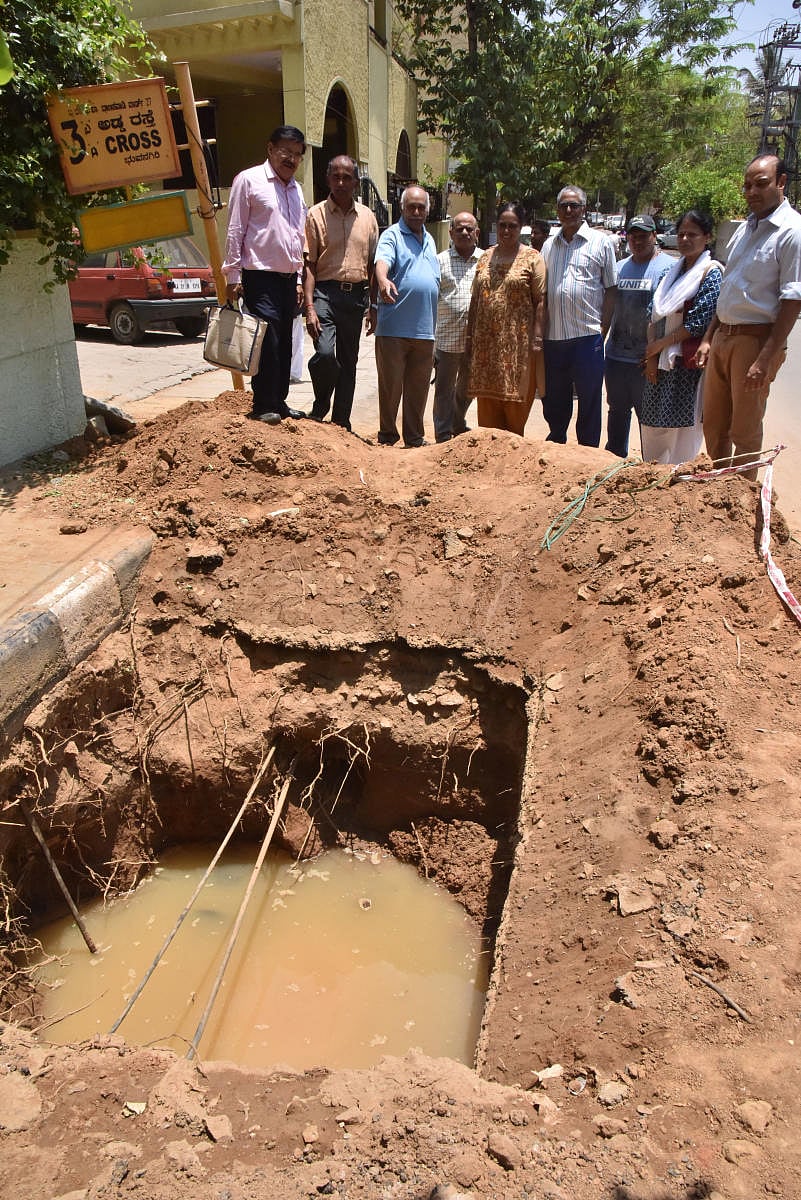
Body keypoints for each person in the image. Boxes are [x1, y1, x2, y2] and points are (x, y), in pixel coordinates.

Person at [697, 153, 801, 476]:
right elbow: (728, 287)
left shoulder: (792, 231)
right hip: (723, 337)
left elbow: (793, 299)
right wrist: (708, 337)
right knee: (713, 425)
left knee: (744, 432)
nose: (751, 192)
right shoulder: (744, 230)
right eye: (747, 186)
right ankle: (718, 493)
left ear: (781, 182)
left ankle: (739, 505)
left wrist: (765, 358)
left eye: (761, 184)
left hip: (754, 342)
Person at [222, 125, 308, 424]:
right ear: (270, 149)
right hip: (259, 276)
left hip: (287, 280)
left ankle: (280, 402)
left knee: (285, 342)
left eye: (297, 154)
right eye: (286, 151)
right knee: (266, 341)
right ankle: (262, 404)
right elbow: (235, 229)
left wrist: (298, 279)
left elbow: (298, 237)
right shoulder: (249, 181)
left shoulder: (296, 190)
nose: (291, 159)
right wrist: (232, 276)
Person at [640, 209, 722, 464]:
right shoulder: (670, 274)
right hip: (659, 363)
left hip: (686, 365)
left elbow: (698, 322)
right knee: (654, 428)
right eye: (681, 234)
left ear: (707, 237)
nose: (685, 239)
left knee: (682, 433)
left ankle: (679, 485)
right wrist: (652, 357)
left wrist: (658, 348)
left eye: (693, 234)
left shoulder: (711, 273)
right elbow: (652, 315)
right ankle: (653, 479)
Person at [303, 155, 379, 430]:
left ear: (356, 182)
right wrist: (309, 307)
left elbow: (372, 265)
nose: (341, 182)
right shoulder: (315, 215)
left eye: (347, 177)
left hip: (356, 297)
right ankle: (321, 402)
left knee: (349, 362)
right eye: (335, 176)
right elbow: (309, 265)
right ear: (327, 180)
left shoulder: (368, 218)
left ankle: (341, 422)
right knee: (324, 354)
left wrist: (374, 305)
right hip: (325, 292)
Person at [541, 185, 617, 446]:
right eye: (564, 206)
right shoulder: (549, 246)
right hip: (555, 337)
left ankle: (588, 454)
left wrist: (603, 329)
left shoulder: (601, 243)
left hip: (588, 337)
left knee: (589, 399)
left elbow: (611, 289)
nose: (569, 210)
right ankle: (557, 446)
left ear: (584, 209)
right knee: (555, 400)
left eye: (574, 205)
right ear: (558, 210)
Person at [466, 201, 546, 435]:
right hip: (485, 351)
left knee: (513, 425)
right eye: (502, 225)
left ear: (521, 227)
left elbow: (541, 300)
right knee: (488, 428)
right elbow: (476, 300)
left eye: (512, 225)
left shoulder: (533, 259)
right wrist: (469, 336)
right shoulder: (485, 258)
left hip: (518, 351)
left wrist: (538, 338)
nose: (506, 231)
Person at [372, 186, 440, 447]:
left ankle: (414, 437)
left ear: (427, 210)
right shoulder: (392, 236)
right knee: (391, 388)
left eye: (421, 207)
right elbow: (382, 262)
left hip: (425, 329)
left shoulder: (430, 239)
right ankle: (387, 435)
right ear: (402, 208)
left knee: (418, 389)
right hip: (394, 329)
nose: (416, 212)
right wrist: (382, 280)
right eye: (411, 206)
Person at [603, 215, 674, 457]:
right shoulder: (619, 268)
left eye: (643, 236)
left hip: (647, 361)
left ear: (654, 236)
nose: (637, 241)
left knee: (649, 419)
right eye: (632, 236)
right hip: (616, 358)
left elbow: (667, 316)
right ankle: (615, 460)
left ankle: (651, 464)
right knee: (617, 412)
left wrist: (656, 355)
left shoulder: (667, 267)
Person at [433, 212, 482, 443]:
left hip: (476, 340)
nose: (464, 233)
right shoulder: (439, 260)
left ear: (477, 233)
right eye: (459, 229)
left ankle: (457, 422)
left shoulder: (486, 261)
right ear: (451, 232)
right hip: (446, 338)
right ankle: (443, 434)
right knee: (443, 390)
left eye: (469, 229)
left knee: (468, 388)